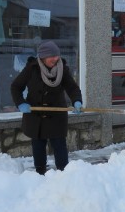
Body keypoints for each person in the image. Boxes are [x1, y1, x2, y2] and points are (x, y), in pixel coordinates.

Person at [11, 40, 83, 175]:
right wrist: (20, 102)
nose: (56, 59)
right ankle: (40, 173)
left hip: (56, 116)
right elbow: (15, 86)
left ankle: (64, 174)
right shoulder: (31, 68)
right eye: (52, 56)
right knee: (38, 146)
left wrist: (77, 101)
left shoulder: (63, 69)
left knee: (59, 146)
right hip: (35, 115)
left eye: (57, 56)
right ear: (43, 57)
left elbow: (72, 88)